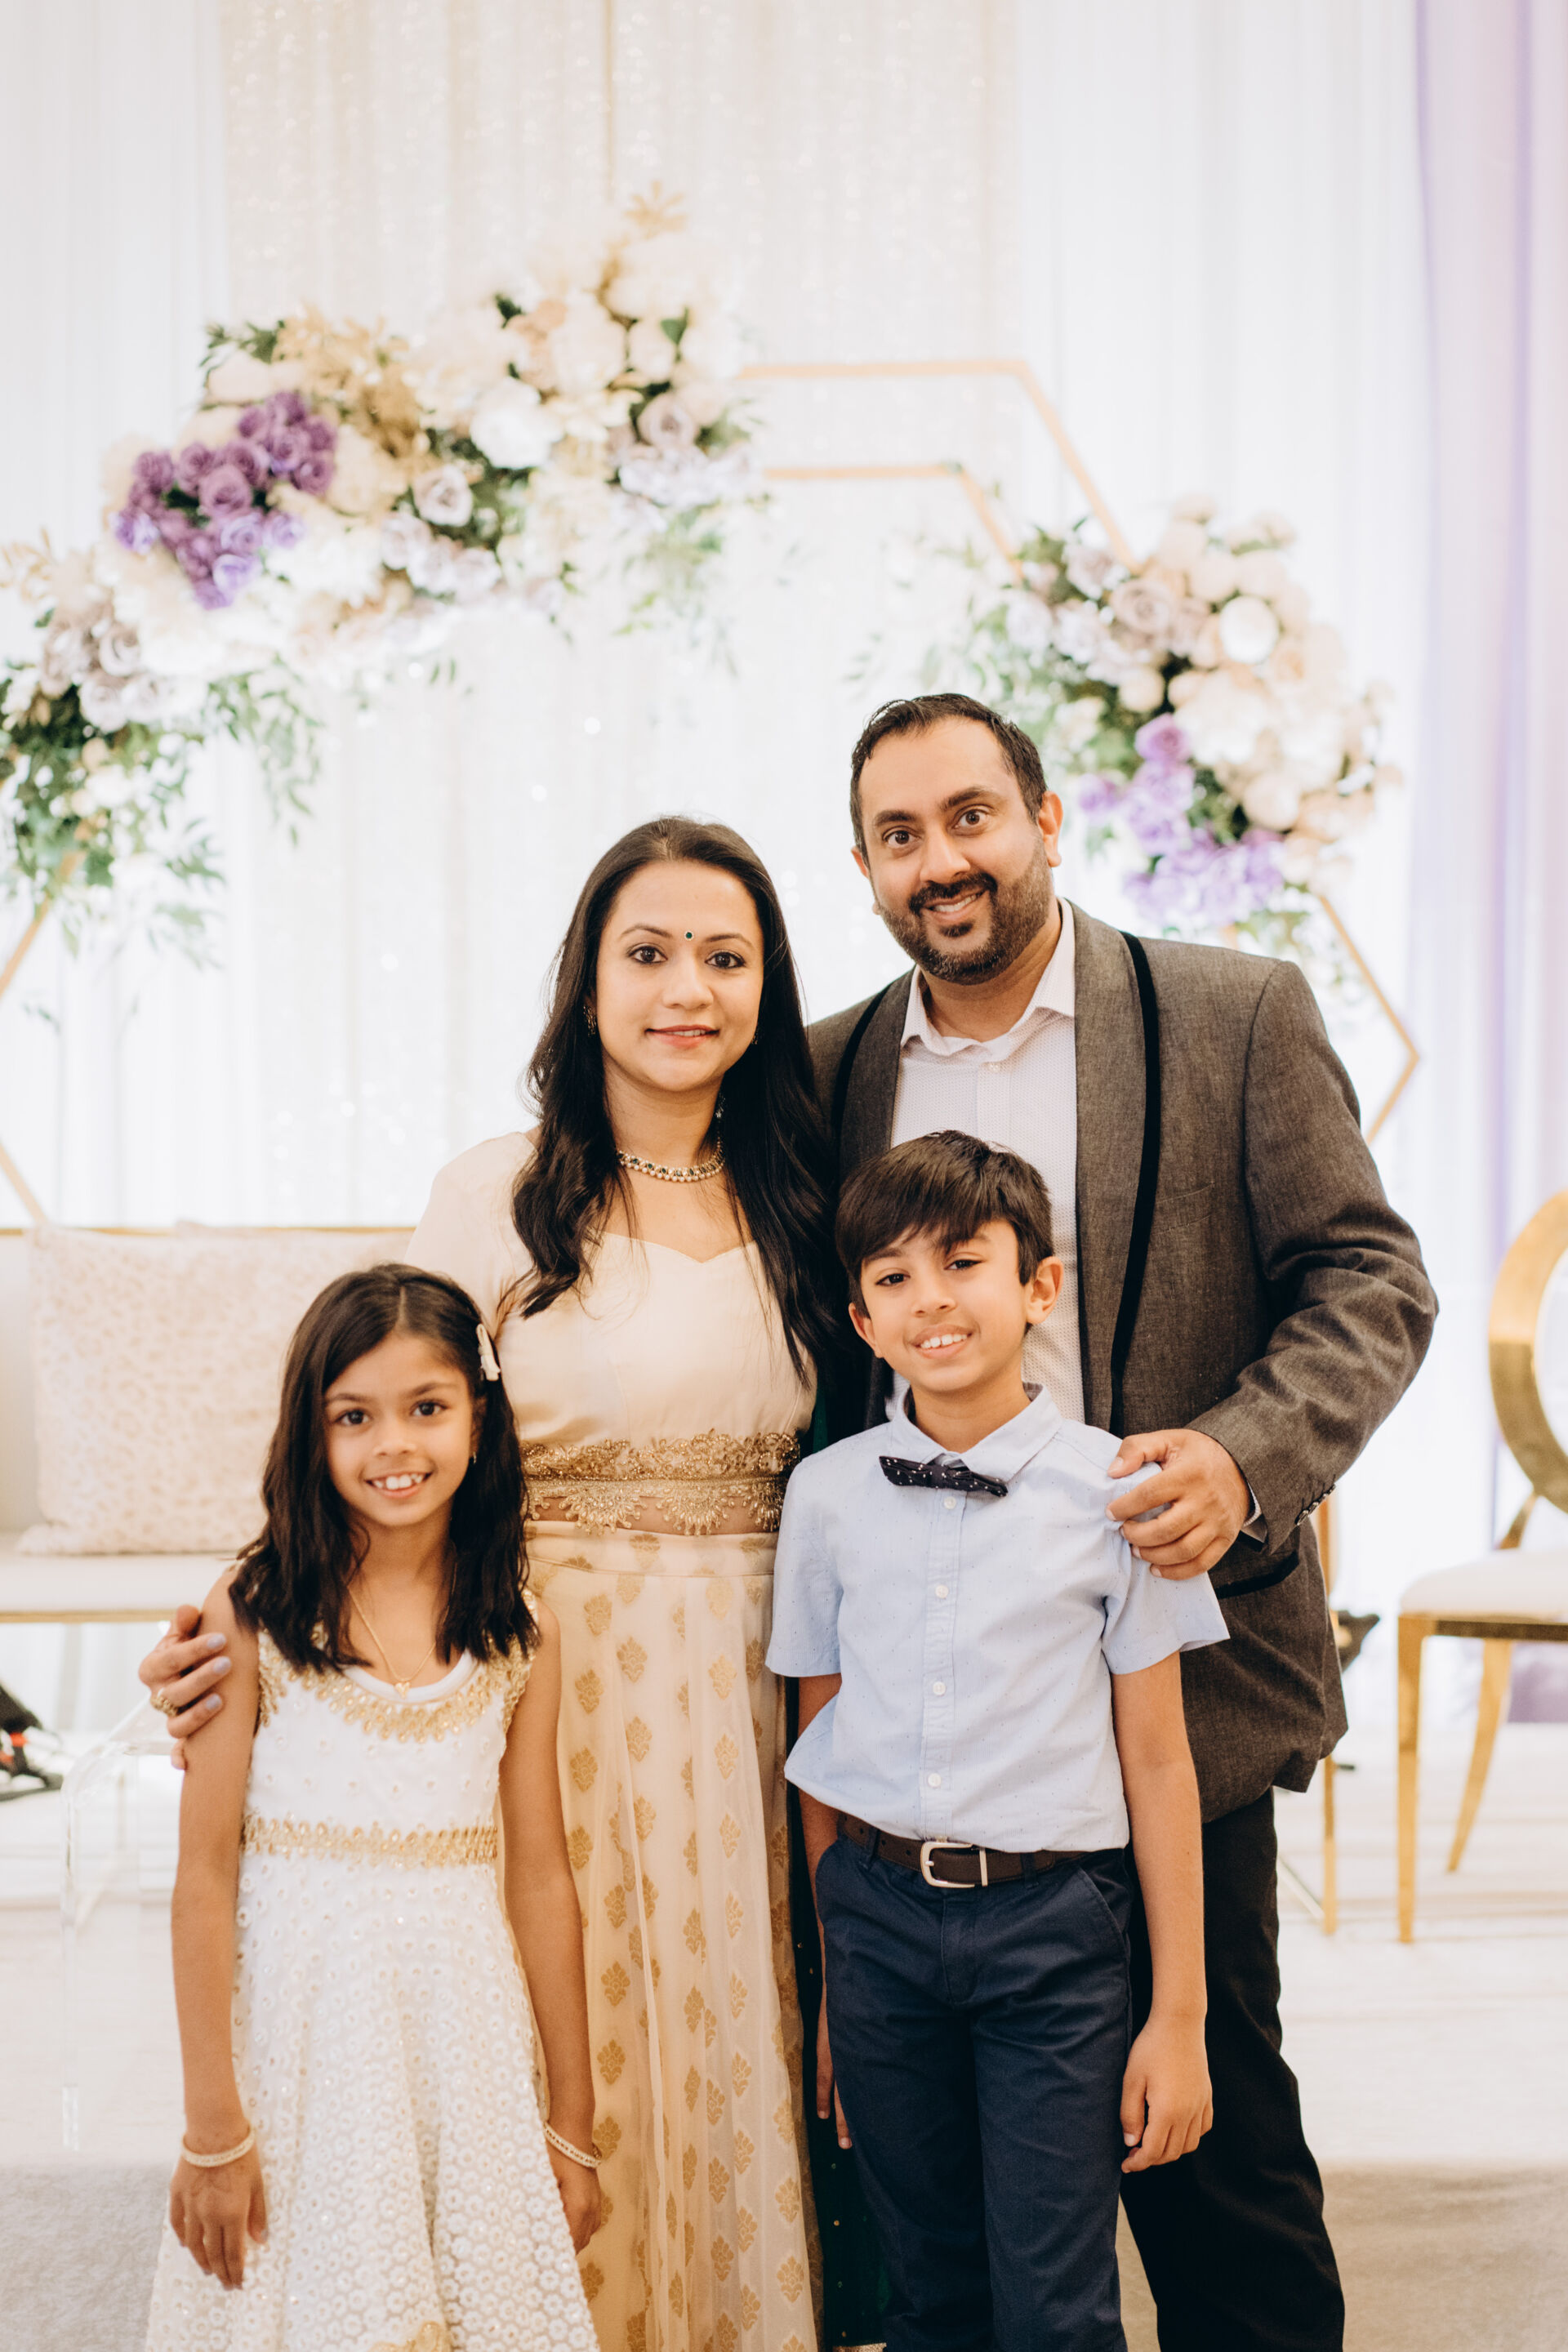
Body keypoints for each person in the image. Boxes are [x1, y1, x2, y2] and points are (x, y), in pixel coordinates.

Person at [143, 817, 854, 2352]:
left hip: (748, 1682)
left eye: (725, 958)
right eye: (648, 954)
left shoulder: (803, 1191)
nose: (687, 989)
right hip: (543, 1663)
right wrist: (237, 1620)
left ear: (768, 986)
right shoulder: (500, 1192)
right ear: (587, 980)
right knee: (549, 2022)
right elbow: (380, 1415)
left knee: (728, 2030)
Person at [807, 694, 1438, 2352]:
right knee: (944, 2220)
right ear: (865, 867)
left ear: (1044, 818)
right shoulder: (825, 1068)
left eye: (969, 816)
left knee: (1211, 2156)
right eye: (898, 834)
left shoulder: (1233, 1012)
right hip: (929, 1730)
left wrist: (1240, 1459)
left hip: (1178, 1676)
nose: (940, 860)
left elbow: (1373, 1281)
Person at [770, 1130, 1228, 2350]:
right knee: (929, 2297)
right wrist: (837, 1978)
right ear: (862, 1320)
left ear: (1039, 1286)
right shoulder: (826, 1495)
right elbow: (819, 1736)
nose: (931, 1300)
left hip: (1054, 1934)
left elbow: (1160, 1759)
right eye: (895, 1277)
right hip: (877, 1923)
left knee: (1053, 2305)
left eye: (963, 1262)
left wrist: (1178, 2015)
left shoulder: (1120, 1491)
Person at [143, 1264, 599, 2352]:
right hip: (303, 2050)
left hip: (461, 2043)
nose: (394, 1444)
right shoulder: (250, 1612)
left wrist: (572, 2123)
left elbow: (541, 1876)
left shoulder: (519, 1629)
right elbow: (203, 1876)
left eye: (426, 1408)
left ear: (479, 1418)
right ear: (311, 1433)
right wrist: (212, 2123)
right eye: (354, 1416)